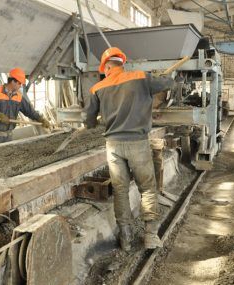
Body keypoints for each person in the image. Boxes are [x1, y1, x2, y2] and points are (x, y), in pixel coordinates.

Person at [85, 47, 174, 251]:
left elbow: (88, 120)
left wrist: (96, 120)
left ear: (107, 66)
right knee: (148, 190)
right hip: (137, 144)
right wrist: (158, 77)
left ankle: (125, 237)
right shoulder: (141, 77)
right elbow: (170, 82)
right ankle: (150, 235)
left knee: (120, 190)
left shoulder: (97, 88)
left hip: (113, 146)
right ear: (121, 63)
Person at [0, 67, 50, 145]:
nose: (20, 86)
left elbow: (29, 111)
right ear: (13, 81)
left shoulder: (19, 97)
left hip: (8, 136)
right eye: (19, 83)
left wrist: (41, 119)